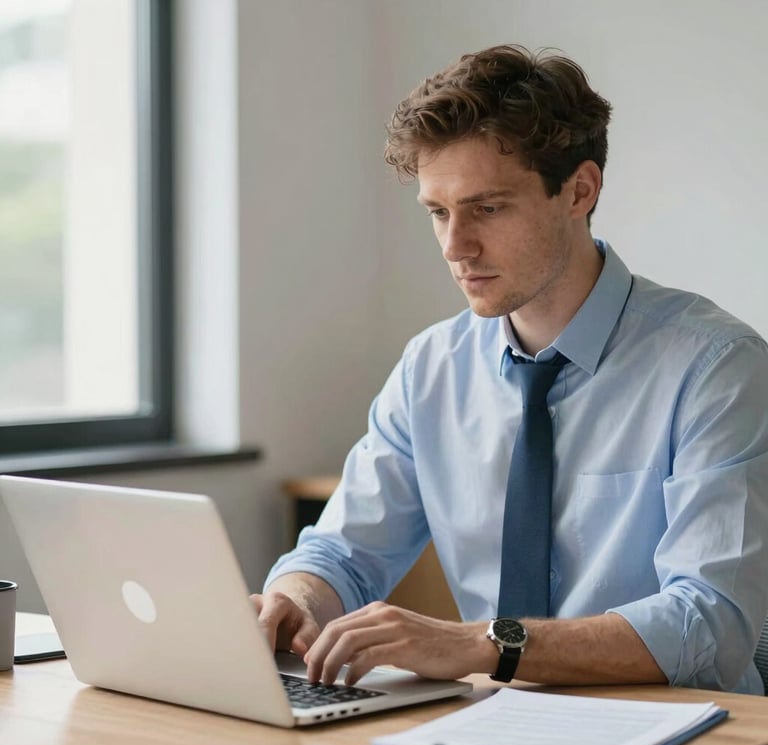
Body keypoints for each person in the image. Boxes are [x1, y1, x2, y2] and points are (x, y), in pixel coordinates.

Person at [251, 44, 768, 694]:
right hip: (492, 725)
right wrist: (294, 599)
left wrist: (480, 644)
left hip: (684, 727)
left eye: (488, 208)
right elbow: (341, 552)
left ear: (579, 190)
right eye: (438, 212)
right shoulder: (431, 370)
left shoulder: (717, 367)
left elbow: (709, 621)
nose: (454, 246)